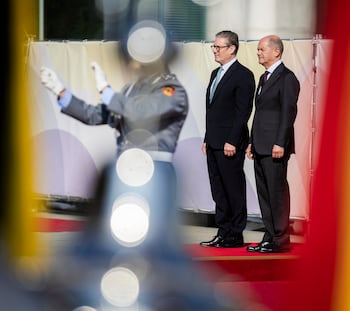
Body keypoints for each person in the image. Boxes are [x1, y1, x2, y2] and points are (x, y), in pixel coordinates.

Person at [39, 34, 189, 248]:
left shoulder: (173, 90)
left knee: (155, 238)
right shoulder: (131, 89)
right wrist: (61, 92)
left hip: (155, 168)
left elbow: (140, 113)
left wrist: (106, 91)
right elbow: (95, 115)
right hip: (125, 168)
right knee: (119, 236)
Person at [200, 30, 255, 248]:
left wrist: (232, 140)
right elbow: (212, 110)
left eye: (218, 47)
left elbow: (243, 112)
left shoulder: (243, 75)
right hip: (213, 141)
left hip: (229, 143)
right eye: (213, 47)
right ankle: (223, 231)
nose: (215, 50)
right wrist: (207, 138)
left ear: (232, 49)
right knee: (218, 189)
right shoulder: (215, 73)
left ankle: (235, 234)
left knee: (233, 188)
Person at [246, 35, 300, 253]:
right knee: (264, 193)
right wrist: (251, 142)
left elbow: (288, 113)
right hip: (260, 145)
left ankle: (280, 238)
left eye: (261, 50)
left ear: (276, 52)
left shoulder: (287, 78)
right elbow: (260, 114)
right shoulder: (264, 78)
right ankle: (269, 235)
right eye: (258, 50)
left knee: (276, 193)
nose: (258, 53)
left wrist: (280, 143)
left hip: (275, 147)